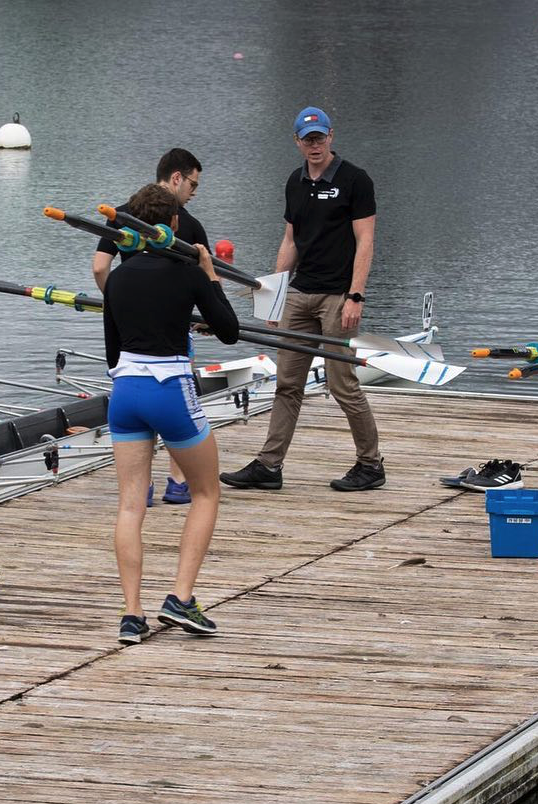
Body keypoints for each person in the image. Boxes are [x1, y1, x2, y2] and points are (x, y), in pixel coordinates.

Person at [220, 106, 385, 493]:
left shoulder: (355, 180)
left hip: (337, 297)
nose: (315, 145)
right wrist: (275, 297)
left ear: (331, 137)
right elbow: (290, 241)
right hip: (299, 296)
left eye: (320, 138)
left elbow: (366, 241)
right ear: (297, 142)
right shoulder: (294, 182)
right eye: (307, 139)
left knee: (342, 384)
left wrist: (355, 295)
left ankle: (371, 464)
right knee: (287, 384)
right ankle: (269, 465)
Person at [103, 183, 239, 644]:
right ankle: (180, 599)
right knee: (206, 492)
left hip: (124, 394)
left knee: (130, 504)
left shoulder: (117, 278)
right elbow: (229, 330)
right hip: (170, 390)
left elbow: (111, 351)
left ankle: (131, 614)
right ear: (175, 223)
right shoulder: (187, 271)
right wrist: (210, 274)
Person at [93, 148, 209, 506]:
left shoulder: (122, 213)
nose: (193, 192)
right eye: (192, 184)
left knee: (137, 401)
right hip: (172, 332)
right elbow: (201, 285)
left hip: (129, 334)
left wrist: (118, 301)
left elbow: (100, 268)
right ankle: (177, 483)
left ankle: (140, 485)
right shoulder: (188, 225)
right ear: (176, 178)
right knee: (176, 399)